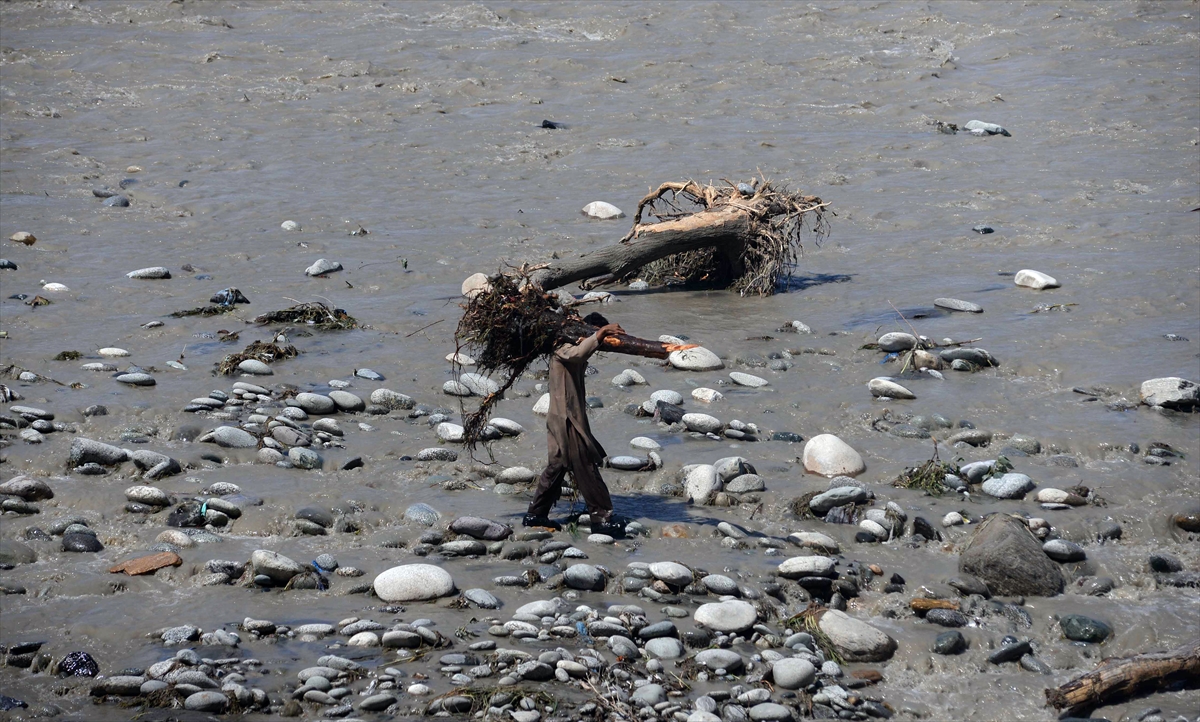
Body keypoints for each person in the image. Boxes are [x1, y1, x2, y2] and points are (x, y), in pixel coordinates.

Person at [523, 312, 625, 536]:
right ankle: (602, 517)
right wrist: (600, 334)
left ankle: (536, 514)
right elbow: (578, 354)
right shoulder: (562, 347)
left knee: (557, 466)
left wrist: (599, 336)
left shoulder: (571, 345)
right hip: (566, 419)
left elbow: (583, 351)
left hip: (568, 417)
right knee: (585, 466)